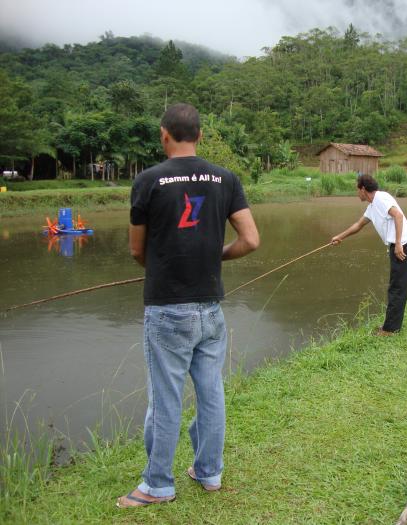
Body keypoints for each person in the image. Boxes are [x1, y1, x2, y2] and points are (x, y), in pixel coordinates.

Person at [119, 103, 260, 508]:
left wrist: (163, 268)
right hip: (211, 307)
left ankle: (158, 485)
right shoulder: (225, 178)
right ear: (199, 135)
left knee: (166, 397)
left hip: (167, 308)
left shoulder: (147, 180)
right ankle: (209, 472)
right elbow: (250, 240)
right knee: (211, 392)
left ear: (165, 135)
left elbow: (136, 251)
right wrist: (216, 257)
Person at [331, 174, 407, 336]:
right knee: (396, 286)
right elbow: (358, 225)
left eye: (357, 189)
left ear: (363, 189)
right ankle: (391, 326)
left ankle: (390, 330)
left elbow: (398, 215)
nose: (357, 193)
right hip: (398, 246)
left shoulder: (381, 198)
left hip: (403, 246)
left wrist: (398, 243)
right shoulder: (372, 207)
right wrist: (340, 237)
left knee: (397, 288)